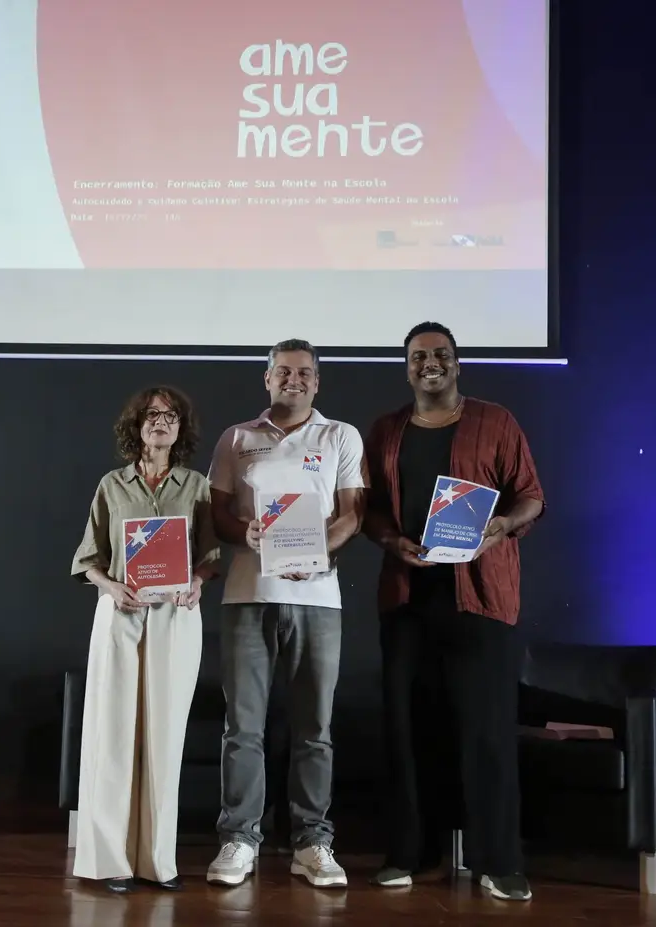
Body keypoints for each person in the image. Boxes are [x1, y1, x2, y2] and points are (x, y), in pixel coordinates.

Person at [362, 322, 546, 902]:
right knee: (409, 731)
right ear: (407, 368)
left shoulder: (495, 421)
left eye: (440, 354)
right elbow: (368, 509)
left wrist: (503, 525)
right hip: (407, 598)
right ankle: (412, 855)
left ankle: (499, 861)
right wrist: (391, 541)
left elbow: (531, 495)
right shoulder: (386, 430)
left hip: (480, 597)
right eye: (419, 357)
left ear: (457, 364)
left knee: (486, 732)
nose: (430, 364)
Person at [205, 339, 367, 889]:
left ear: (317, 382)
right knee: (242, 727)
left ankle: (312, 842)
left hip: (318, 599)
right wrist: (245, 534)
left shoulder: (340, 435)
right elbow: (218, 514)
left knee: (314, 728)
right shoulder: (237, 438)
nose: (293, 380)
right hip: (247, 595)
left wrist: (317, 553)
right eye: (283, 371)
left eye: (304, 373)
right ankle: (238, 839)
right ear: (267, 378)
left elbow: (352, 513)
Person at [69, 385, 220, 893]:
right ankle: (110, 860)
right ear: (136, 425)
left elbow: (210, 556)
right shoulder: (112, 485)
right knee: (113, 733)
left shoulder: (196, 485)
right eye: (152, 415)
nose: (161, 422)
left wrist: (197, 582)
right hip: (121, 614)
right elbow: (88, 558)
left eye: (170, 416)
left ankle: (157, 861)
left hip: (176, 616)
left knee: (164, 736)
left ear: (181, 428)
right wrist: (111, 587)